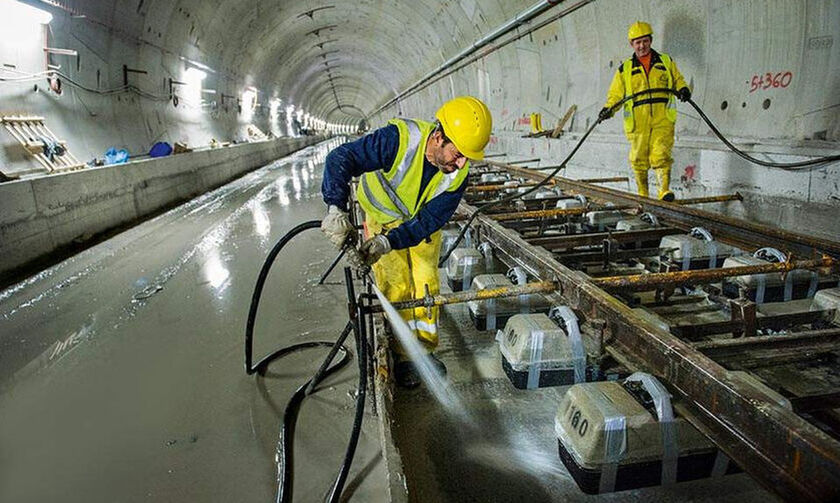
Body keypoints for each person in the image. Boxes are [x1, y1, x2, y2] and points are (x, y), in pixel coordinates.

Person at [320, 96, 492, 388]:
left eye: (467, 157)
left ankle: (424, 350)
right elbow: (340, 158)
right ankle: (402, 353)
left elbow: (430, 220)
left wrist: (390, 242)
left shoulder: (458, 173)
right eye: (458, 153)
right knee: (397, 285)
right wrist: (335, 208)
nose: (462, 163)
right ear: (438, 137)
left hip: (417, 225)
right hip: (382, 217)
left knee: (426, 283)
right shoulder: (400, 140)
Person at [599, 21, 691, 201]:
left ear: (651, 41)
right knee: (639, 159)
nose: (642, 46)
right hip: (637, 122)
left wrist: (683, 88)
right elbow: (616, 94)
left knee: (661, 154)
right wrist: (608, 109)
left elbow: (678, 79)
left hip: (662, 118)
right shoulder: (625, 69)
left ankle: (664, 191)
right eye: (637, 42)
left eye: (645, 41)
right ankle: (643, 195)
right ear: (631, 44)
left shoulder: (665, 61)